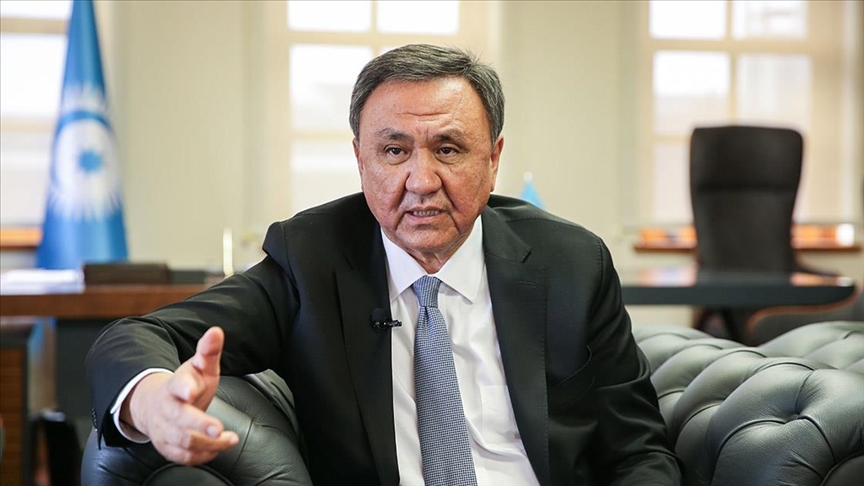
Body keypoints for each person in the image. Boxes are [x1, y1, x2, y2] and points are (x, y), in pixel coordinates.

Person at [86, 44, 681, 485]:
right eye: (394, 151)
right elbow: (138, 335)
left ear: (494, 159)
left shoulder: (570, 263)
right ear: (360, 159)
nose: (421, 181)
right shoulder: (312, 259)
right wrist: (152, 401)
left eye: (449, 149)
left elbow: (638, 452)